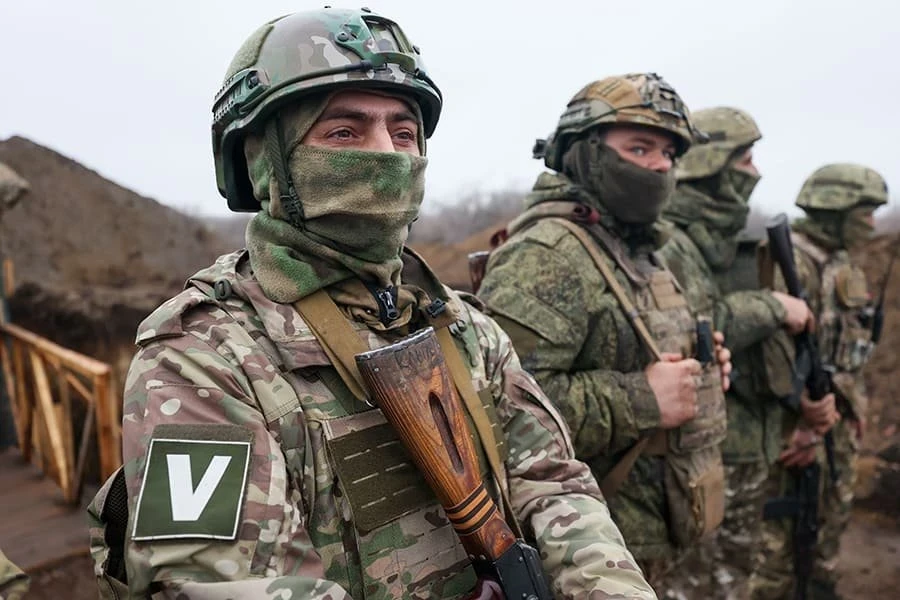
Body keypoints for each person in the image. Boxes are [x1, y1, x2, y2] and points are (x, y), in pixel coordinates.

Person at [86, 8, 656, 599]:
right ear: (263, 161)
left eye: (404, 133)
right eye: (345, 132)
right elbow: (225, 584)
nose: (388, 154)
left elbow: (554, 483)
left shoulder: (462, 326)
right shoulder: (202, 356)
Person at [477, 73, 733, 586]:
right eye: (640, 148)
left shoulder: (640, 249)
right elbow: (497, 413)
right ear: (585, 153)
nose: (661, 165)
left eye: (669, 153)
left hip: (664, 529)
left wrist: (700, 369)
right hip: (596, 557)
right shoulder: (547, 255)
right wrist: (645, 397)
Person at [655, 106, 817, 598]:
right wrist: (772, 306)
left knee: (733, 575)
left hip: (745, 441)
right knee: (692, 581)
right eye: (745, 159)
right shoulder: (669, 240)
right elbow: (694, 331)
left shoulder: (724, 238)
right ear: (712, 164)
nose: (756, 171)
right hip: (703, 450)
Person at [750, 163, 888, 600]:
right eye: (865, 213)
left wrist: (853, 410)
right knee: (781, 542)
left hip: (835, 419)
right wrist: (799, 424)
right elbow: (772, 356)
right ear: (835, 209)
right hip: (799, 425)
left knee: (830, 521)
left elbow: (843, 348)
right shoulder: (792, 260)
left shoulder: (841, 261)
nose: (872, 224)